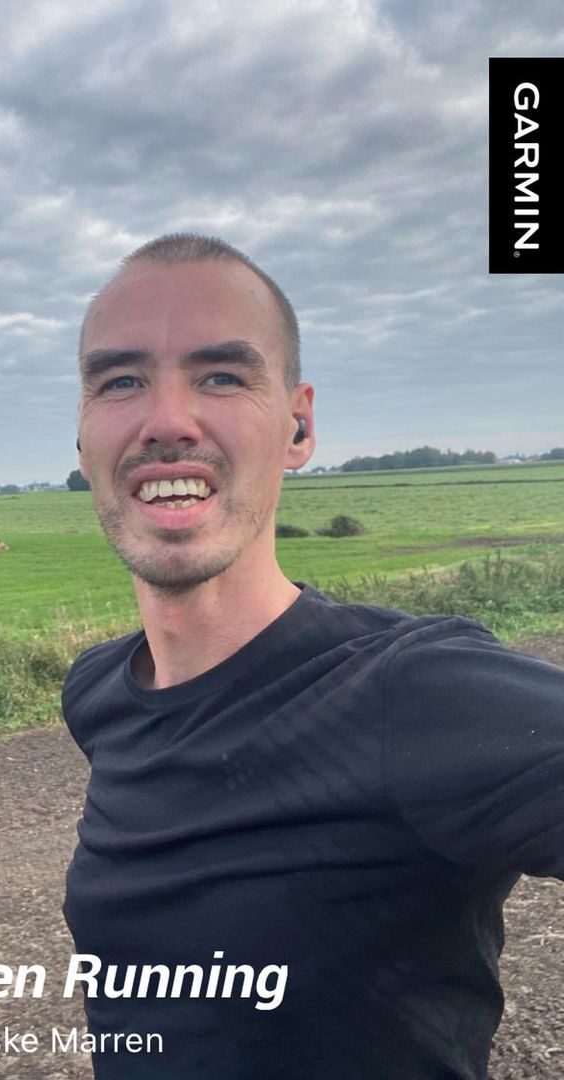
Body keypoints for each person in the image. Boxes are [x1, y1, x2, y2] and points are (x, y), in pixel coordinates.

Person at [61, 233, 564, 1079]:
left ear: (298, 426)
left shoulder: (413, 691)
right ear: (83, 440)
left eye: (223, 375)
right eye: (120, 381)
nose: (168, 421)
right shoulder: (99, 691)